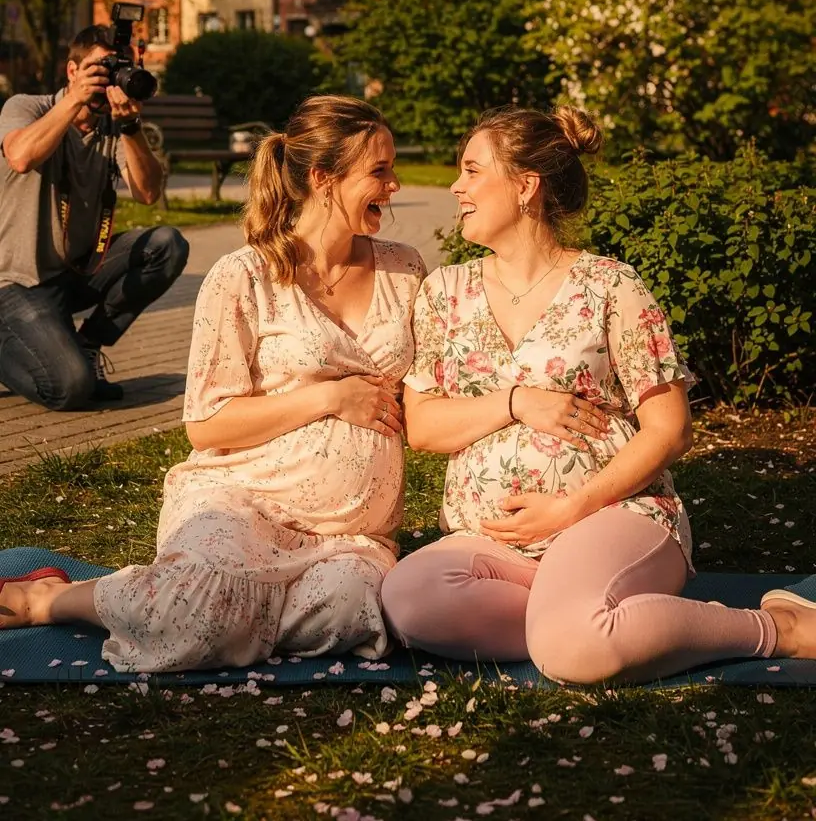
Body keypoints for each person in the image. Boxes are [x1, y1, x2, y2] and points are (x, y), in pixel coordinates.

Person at [382, 105, 816, 683]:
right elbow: (426, 426)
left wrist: (568, 509)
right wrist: (516, 400)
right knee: (409, 601)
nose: (457, 186)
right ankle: (585, 615)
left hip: (609, 513)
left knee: (573, 650)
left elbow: (670, 429)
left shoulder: (612, 285)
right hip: (494, 541)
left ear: (525, 186)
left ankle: (776, 626)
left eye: (472, 170)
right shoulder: (444, 291)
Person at [0, 95, 426, 672]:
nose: (395, 185)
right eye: (379, 171)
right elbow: (206, 427)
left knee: (352, 611)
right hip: (241, 500)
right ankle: (54, 599)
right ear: (324, 179)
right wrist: (329, 396)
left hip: (348, 534)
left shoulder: (406, 269)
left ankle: (214, 611)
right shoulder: (242, 277)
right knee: (202, 610)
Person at [0, 24, 188, 410]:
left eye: (117, 69)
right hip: (15, 281)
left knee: (167, 245)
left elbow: (148, 193)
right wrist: (72, 101)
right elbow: (21, 157)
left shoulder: (114, 128)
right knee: (70, 388)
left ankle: (87, 343)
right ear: (73, 72)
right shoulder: (26, 106)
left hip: (75, 272)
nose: (109, 79)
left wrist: (132, 127)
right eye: (101, 68)